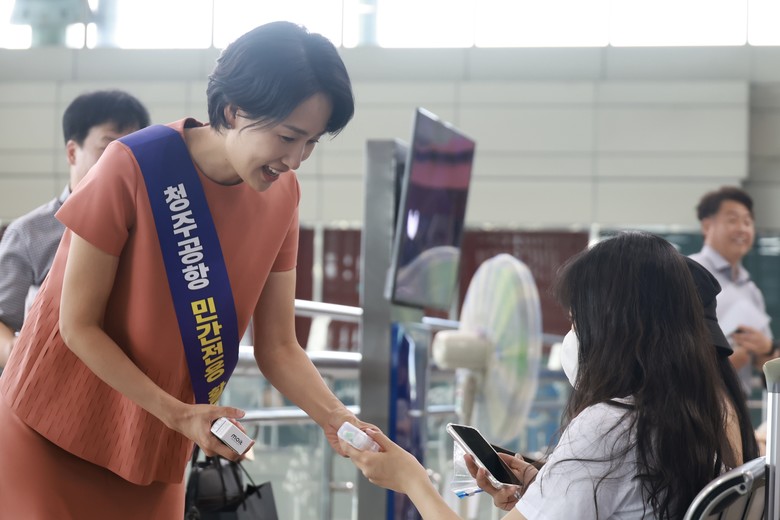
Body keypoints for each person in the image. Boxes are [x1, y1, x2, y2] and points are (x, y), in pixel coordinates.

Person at [0, 22, 366, 519]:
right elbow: (77, 325)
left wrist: (338, 419)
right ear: (233, 110)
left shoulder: (284, 197)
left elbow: (279, 347)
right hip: (50, 430)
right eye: (287, 137)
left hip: (155, 443)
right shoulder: (133, 164)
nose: (296, 160)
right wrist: (178, 414)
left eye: (311, 143)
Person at [344, 232, 737, 519]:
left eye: (577, 321)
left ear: (612, 329)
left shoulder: (609, 425)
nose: (572, 336)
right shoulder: (696, 415)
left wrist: (412, 480)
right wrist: (544, 488)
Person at [0, 89, 150, 367]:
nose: (125, 163)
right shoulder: (29, 233)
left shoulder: (152, 228)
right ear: (72, 152)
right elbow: (2, 319)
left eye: (134, 150)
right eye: (109, 149)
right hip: (53, 374)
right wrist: (17, 354)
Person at [690, 186, 776, 395]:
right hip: (695, 400)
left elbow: (765, 363)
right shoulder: (688, 272)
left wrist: (766, 348)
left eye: (747, 222)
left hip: (737, 404)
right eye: (732, 220)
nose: (742, 229)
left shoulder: (751, 289)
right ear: (707, 226)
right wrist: (725, 364)